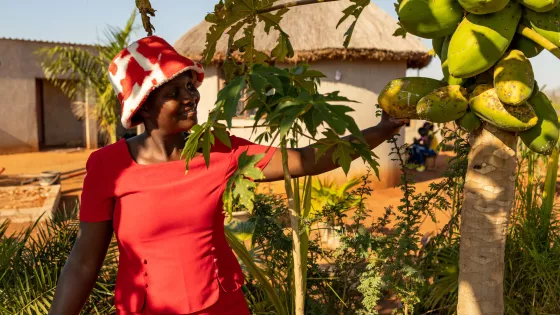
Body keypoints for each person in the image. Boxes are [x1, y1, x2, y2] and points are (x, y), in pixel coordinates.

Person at [47, 36, 408, 315]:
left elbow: (305, 160)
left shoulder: (218, 150)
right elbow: (83, 261)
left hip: (221, 305)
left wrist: (382, 129)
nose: (190, 97)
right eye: (174, 92)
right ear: (143, 108)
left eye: (190, 86)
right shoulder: (108, 166)